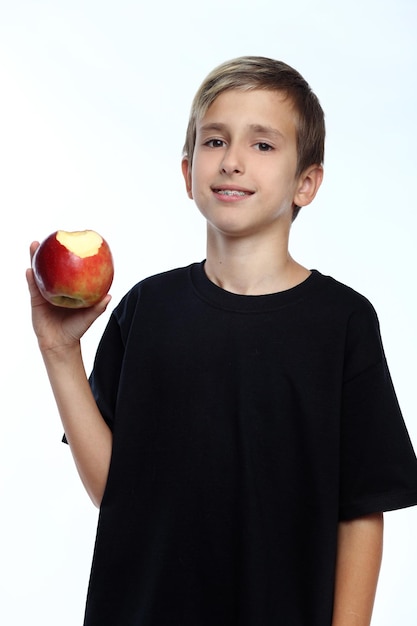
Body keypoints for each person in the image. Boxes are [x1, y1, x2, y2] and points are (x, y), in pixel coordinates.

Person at [27, 56, 417, 626]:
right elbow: (118, 495)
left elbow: (361, 510)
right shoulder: (146, 309)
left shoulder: (343, 322)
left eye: (262, 146)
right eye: (215, 141)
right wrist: (60, 353)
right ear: (187, 173)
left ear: (306, 183)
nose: (232, 161)